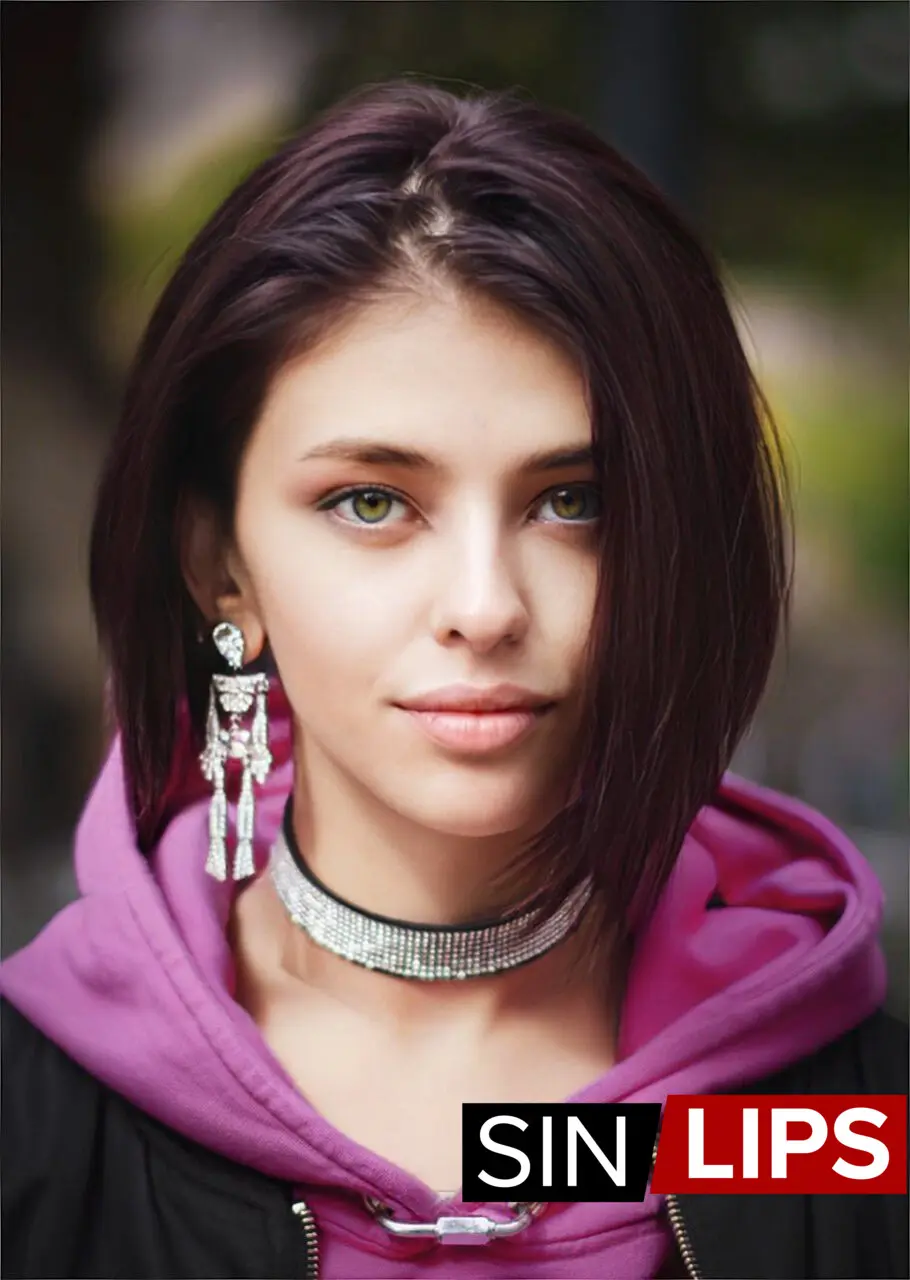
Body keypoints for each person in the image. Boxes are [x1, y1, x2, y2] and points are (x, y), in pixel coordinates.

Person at [1, 78, 905, 1280]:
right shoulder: (40, 1117)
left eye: (573, 502)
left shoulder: (839, 1127)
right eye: (371, 502)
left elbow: (585, 1168)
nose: (483, 605)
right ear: (221, 566)